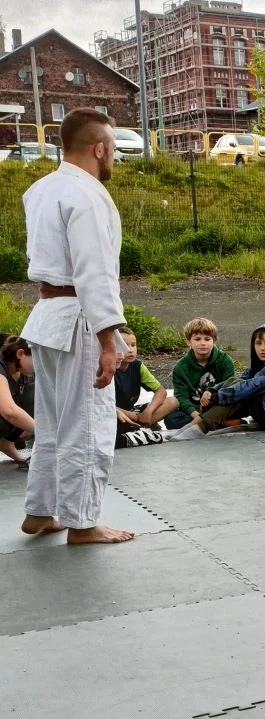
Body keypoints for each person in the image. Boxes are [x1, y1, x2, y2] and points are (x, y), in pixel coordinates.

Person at [20, 108, 132, 544]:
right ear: (99, 148)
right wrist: (109, 339)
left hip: (47, 316)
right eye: (114, 151)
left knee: (52, 421)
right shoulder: (86, 196)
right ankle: (82, 523)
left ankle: (41, 512)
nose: (114, 159)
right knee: (87, 422)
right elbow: (93, 272)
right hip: (79, 319)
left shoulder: (40, 190)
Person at [172, 324, 265, 438]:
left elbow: (252, 386)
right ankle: (195, 426)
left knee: (240, 395)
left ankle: (199, 428)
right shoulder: (261, 364)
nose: (262, 348)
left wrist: (217, 396)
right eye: (258, 343)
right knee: (236, 384)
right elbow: (239, 380)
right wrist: (212, 390)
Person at [168, 318, 236, 430]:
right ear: (189, 341)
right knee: (171, 419)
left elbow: (229, 386)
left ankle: (209, 423)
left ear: (214, 340)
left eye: (207, 339)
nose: (202, 343)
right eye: (197, 339)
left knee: (235, 410)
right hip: (194, 408)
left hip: (218, 406)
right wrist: (195, 415)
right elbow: (181, 396)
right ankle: (209, 423)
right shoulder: (180, 367)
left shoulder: (225, 361)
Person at [0, 335, 35, 466]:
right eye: (35, 359)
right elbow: (9, 411)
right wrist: (40, 430)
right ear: (20, 353)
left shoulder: (24, 374)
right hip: (6, 412)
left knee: (37, 391)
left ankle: (9, 447)